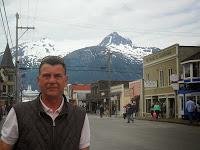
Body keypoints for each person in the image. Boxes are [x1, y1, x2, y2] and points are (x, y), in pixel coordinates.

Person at [0, 56, 90, 150]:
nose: (52, 81)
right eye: (46, 76)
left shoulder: (80, 116)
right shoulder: (18, 113)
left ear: (65, 81)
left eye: (57, 76)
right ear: (38, 80)